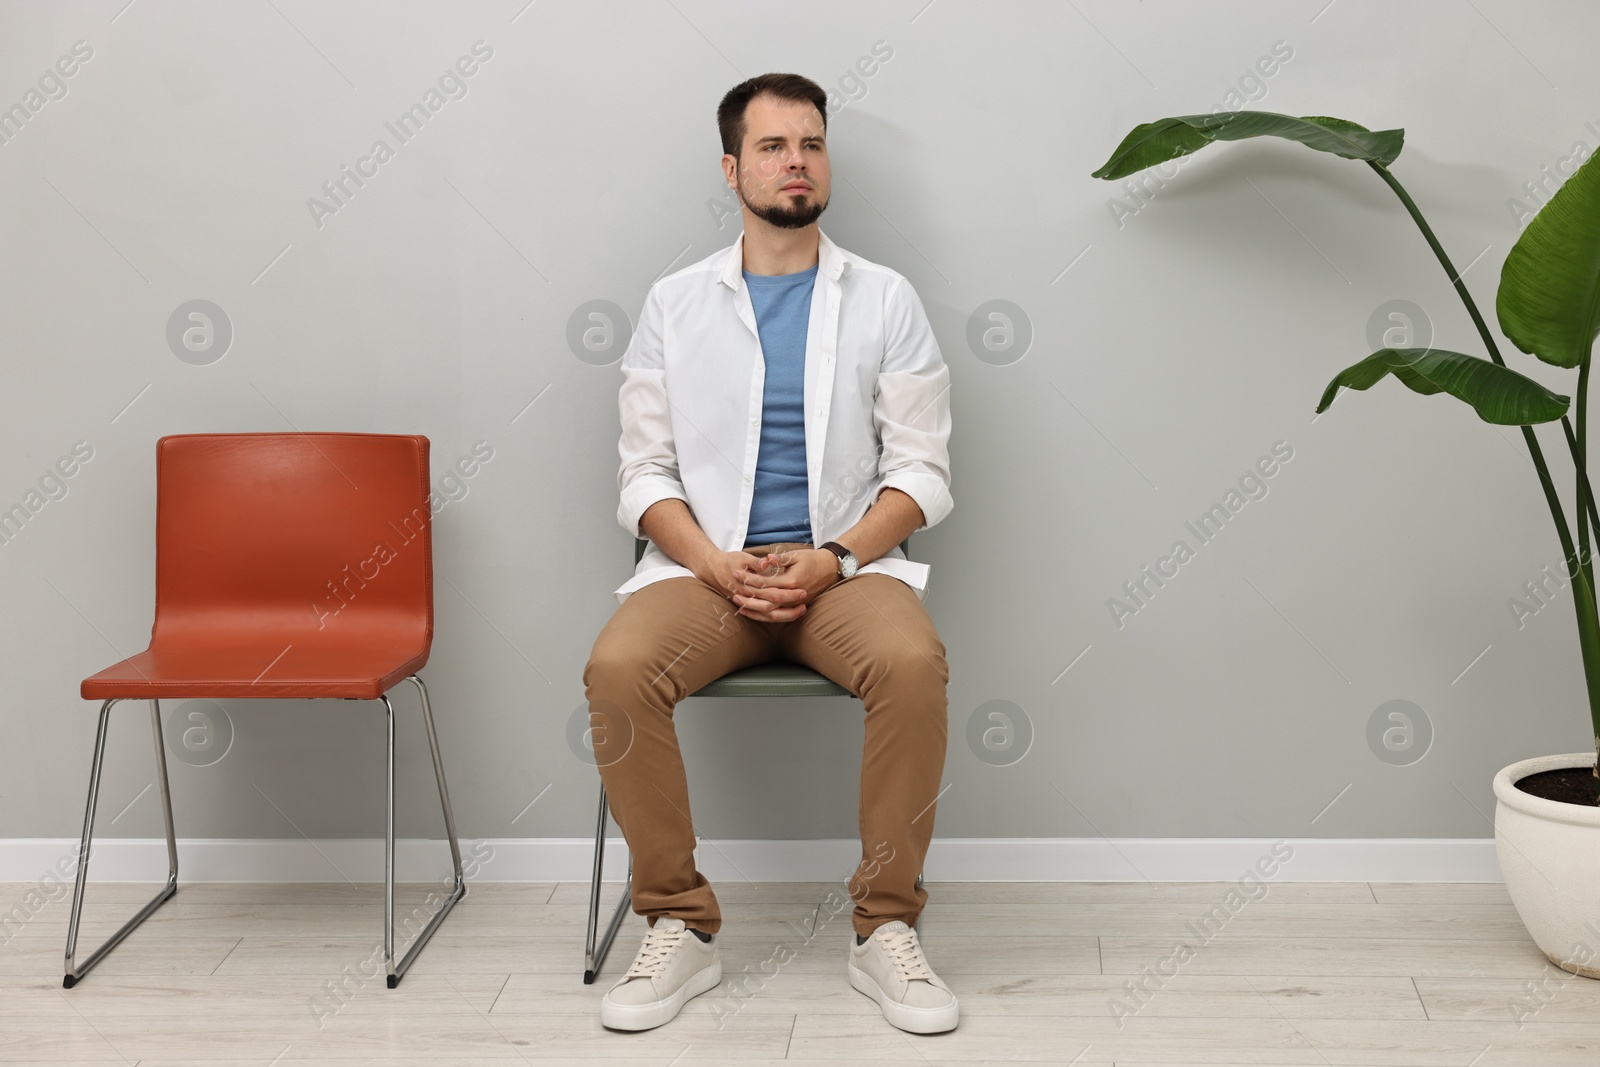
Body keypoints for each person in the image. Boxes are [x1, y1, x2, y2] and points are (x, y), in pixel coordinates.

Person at [582, 71, 956, 1035]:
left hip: (844, 569)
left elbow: (923, 472)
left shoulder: (885, 297)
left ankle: (884, 930)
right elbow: (642, 473)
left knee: (913, 663)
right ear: (732, 167)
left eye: (813, 143)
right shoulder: (673, 302)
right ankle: (678, 923)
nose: (798, 162)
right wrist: (712, 562)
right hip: (709, 572)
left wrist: (833, 556)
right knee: (617, 668)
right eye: (774, 146)